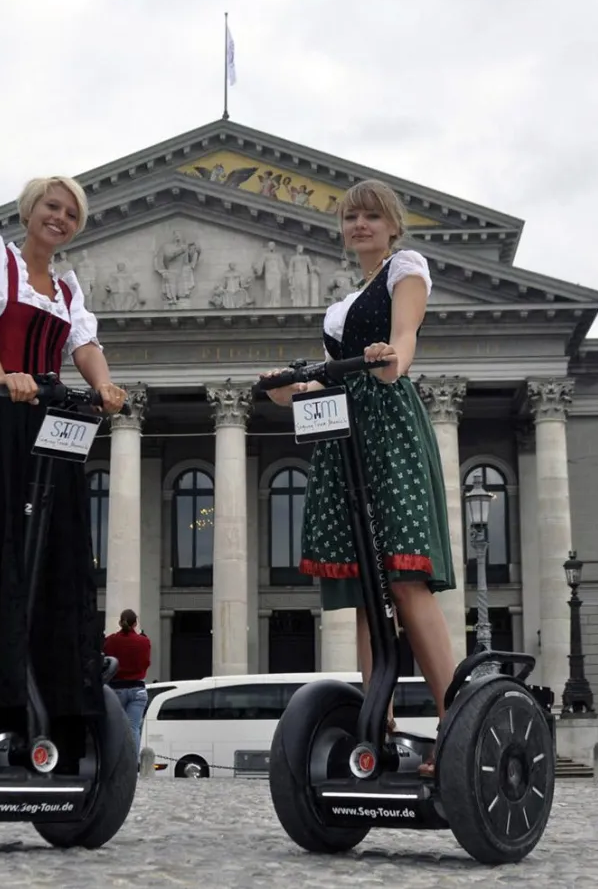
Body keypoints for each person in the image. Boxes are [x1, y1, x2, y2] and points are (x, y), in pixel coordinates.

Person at [0, 175, 128, 772]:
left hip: (53, 419)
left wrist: (103, 384)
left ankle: (58, 707)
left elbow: (83, 346)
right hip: (5, 413)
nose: (60, 218)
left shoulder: (67, 285)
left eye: (71, 213)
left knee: (59, 553)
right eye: (52, 206)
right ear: (29, 211)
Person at [263, 178, 456, 777]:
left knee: (403, 579)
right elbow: (326, 384)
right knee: (371, 595)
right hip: (345, 436)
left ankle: (456, 716)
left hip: (388, 428)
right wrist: (284, 388)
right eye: (351, 219)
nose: (360, 226)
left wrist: (392, 358)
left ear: (392, 225)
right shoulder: (341, 306)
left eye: (371, 217)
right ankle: (381, 724)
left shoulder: (407, 267)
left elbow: (404, 340)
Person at [103, 609, 151, 762]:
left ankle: (113, 760)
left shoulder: (110, 641)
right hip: (137, 689)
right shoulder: (144, 641)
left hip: (116, 689)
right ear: (135, 623)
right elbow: (146, 663)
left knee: (115, 728)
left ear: (119, 622)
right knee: (133, 729)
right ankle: (131, 762)